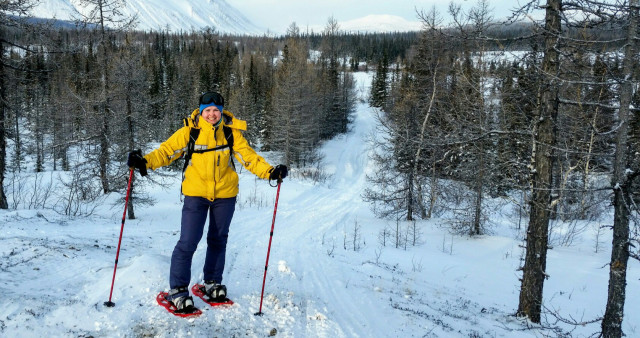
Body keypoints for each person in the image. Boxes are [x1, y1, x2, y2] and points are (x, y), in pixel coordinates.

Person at [127, 91, 288, 313]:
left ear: (221, 112)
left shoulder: (231, 134)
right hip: (196, 194)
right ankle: (178, 290)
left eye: (216, 110)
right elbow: (166, 152)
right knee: (188, 241)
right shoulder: (189, 132)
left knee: (218, 239)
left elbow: (249, 158)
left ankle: (212, 283)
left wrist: (270, 171)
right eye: (207, 111)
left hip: (225, 194)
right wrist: (144, 161)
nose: (212, 114)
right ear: (201, 111)